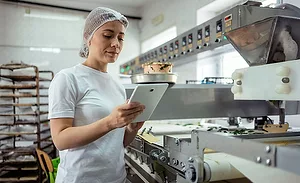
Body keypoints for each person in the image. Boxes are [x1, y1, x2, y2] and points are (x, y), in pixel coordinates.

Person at [48, 7, 145, 183]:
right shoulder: (68, 78)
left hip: (117, 179)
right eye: (108, 35)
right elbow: (60, 139)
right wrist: (110, 122)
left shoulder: (117, 85)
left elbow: (118, 143)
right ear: (88, 38)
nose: (116, 43)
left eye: (121, 38)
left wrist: (131, 129)